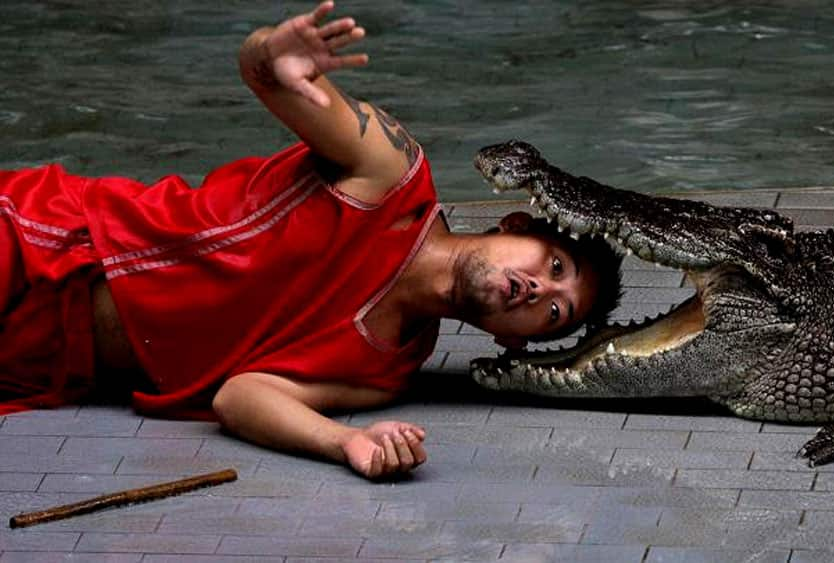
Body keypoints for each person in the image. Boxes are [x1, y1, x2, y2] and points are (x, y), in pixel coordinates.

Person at [0, 2, 623, 480]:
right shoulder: (389, 174)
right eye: (555, 264)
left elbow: (241, 395)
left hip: (43, 365)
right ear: (514, 226)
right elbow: (266, 74)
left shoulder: (386, 371)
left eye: (554, 310)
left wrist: (347, 442)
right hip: (39, 243)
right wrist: (276, 55)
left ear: (516, 338)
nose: (538, 288)